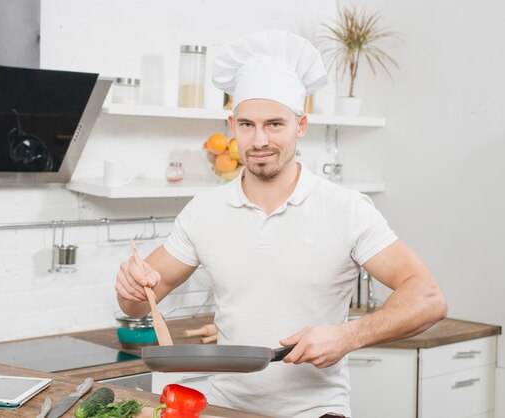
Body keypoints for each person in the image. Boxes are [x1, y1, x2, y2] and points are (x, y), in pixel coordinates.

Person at [115, 30, 447, 418]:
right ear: (231, 125)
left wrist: (347, 336)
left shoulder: (347, 208)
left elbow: (428, 298)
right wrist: (129, 287)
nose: (259, 140)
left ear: (300, 125)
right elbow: (137, 301)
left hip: (319, 410)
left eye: (275, 124)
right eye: (247, 125)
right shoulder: (203, 211)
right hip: (226, 408)